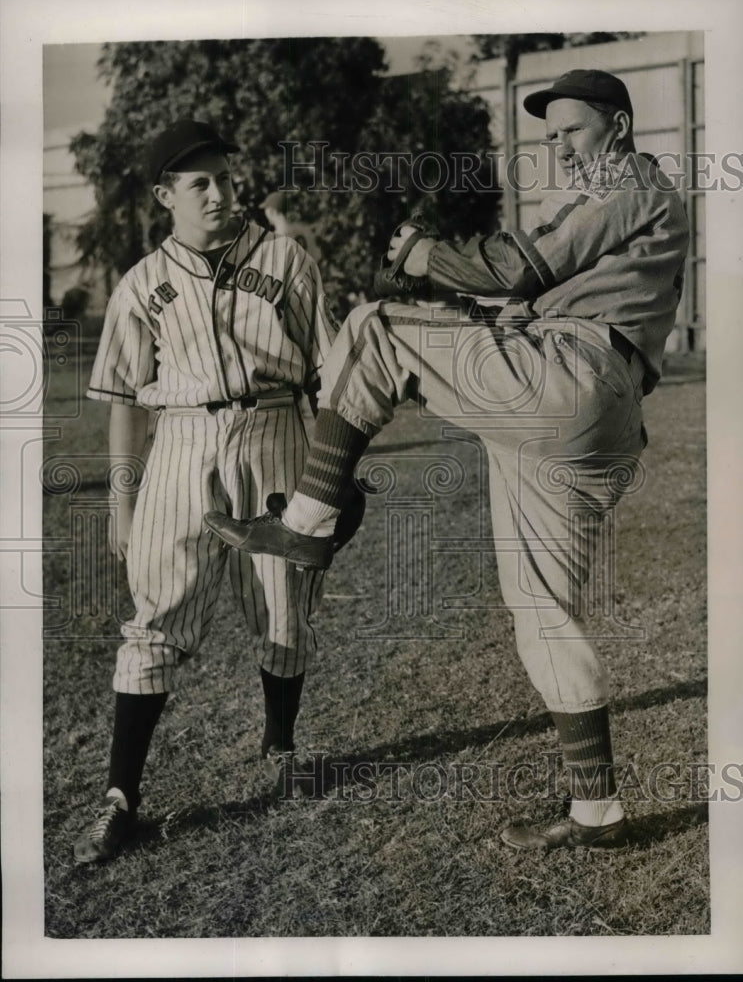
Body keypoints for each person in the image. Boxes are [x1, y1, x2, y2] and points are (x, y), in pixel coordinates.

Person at [205, 71, 690, 850]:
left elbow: (514, 270)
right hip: (588, 416)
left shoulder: (631, 182)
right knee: (541, 614)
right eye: (550, 134)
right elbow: (518, 299)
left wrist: (427, 252)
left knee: (373, 327)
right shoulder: (625, 197)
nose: (557, 143)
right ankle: (597, 810)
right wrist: (462, 298)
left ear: (620, 128)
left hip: (571, 379)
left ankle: (307, 518)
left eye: (572, 128)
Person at [73, 119, 338, 863]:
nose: (220, 192)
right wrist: (122, 504)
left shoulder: (285, 259)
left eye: (224, 177)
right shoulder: (140, 284)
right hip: (181, 443)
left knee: (284, 604)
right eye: (200, 183)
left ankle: (279, 742)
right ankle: (121, 797)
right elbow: (125, 399)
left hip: (275, 429)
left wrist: (329, 480)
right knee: (154, 617)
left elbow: (329, 376)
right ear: (166, 196)